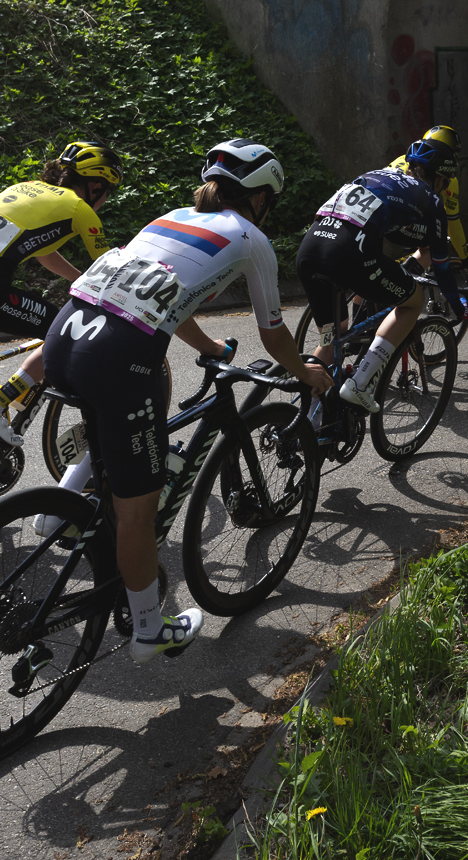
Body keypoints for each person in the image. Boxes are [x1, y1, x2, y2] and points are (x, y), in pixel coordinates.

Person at [43, 139, 332, 666]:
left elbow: (155, 295)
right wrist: (306, 371)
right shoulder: (250, 239)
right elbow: (273, 336)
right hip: (119, 355)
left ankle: (59, 508)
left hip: (64, 337)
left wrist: (208, 347)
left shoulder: (168, 217)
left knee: (130, 416)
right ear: (261, 197)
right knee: (137, 510)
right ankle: (151, 630)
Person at [296, 137, 468, 414]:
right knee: (412, 302)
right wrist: (457, 305)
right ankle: (360, 382)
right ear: (441, 178)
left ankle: (304, 420)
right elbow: (441, 264)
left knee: (333, 337)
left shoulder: (376, 175)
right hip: (350, 255)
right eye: (445, 181)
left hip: (310, 248)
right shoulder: (431, 199)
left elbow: (386, 228)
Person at [0, 141, 122, 447]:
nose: (105, 199)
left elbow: (44, 253)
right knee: (61, 331)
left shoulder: (27, 187)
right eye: (108, 191)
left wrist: (79, 279)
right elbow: (109, 269)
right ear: (95, 187)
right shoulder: (80, 209)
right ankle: (2, 400)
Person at [390, 125, 468, 262]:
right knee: (435, 244)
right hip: (399, 221)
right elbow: (452, 222)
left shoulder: (405, 159)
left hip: (373, 215)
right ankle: (409, 280)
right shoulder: (448, 178)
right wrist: (465, 257)